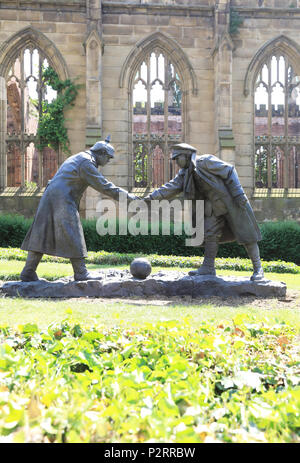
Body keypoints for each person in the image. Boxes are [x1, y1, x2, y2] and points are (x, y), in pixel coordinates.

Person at [20, 137, 139, 281]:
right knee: (73, 232)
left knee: (42, 233)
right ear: (101, 153)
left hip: (51, 196)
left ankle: (28, 272)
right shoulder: (86, 163)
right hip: (62, 199)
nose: (108, 161)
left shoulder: (80, 157)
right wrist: (128, 197)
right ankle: (81, 272)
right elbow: (104, 185)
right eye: (108, 157)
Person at [144, 143, 264, 281]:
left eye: (177, 158)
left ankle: (258, 269)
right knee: (210, 234)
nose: (176, 162)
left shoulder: (205, 161)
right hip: (212, 208)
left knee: (247, 235)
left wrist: (238, 194)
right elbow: (170, 188)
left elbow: (229, 170)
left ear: (186, 155)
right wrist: (150, 198)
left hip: (230, 202)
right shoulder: (185, 173)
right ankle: (208, 267)